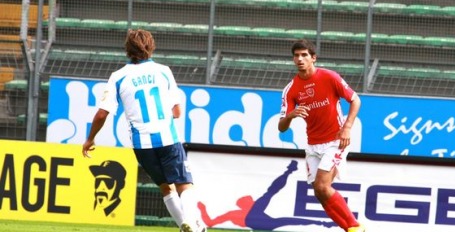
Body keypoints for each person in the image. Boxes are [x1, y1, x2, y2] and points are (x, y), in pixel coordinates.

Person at [82, 29, 206, 232]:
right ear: (151, 46)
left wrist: (90, 139)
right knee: (185, 184)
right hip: (167, 138)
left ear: (127, 50)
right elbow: (177, 111)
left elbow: (102, 114)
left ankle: (185, 225)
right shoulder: (164, 71)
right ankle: (192, 223)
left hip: (142, 145)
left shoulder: (118, 77)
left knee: (166, 188)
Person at [278, 39, 365, 232]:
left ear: (313, 58)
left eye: (304, 55)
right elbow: (282, 128)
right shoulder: (291, 89)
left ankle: (355, 227)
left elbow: (355, 100)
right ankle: (352, 229)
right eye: (296, 55)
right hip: (313, 144)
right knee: (319, 192)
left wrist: (347, 127)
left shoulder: (329, 77)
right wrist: (291, 116)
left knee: (323, 186)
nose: (300, 59)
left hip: (336, 140)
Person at [197, 160, 336, 230]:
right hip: (253, 221)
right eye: (248, 200)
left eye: (250, 199)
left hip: (266, 224)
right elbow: (210, 222)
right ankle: (289, 171)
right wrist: (202, 208)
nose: (251, 200)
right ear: (242, 204)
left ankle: (323, 223)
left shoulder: (252, 209)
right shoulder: (235, 213)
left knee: (290, 219)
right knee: (269, 195)